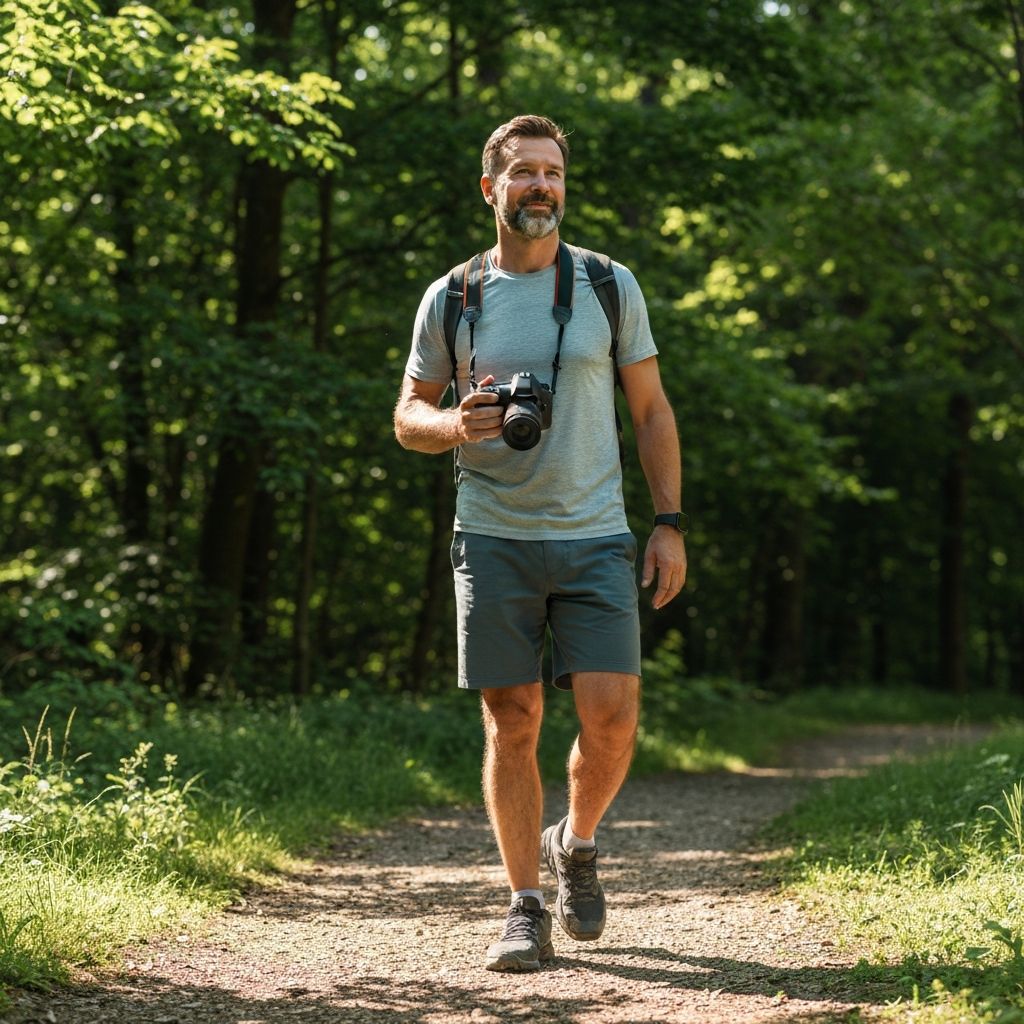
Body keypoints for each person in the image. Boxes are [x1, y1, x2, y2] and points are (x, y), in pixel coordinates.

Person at [393, 114, 687, 972]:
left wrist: (668, 524)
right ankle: (524, 905)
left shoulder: (606, 284)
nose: (541, 188)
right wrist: (454, 424)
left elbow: (653, 411)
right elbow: (407, 417)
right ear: (490, 189)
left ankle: (578, 842)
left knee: (613, 719)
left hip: (597, 533)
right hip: (492, 533)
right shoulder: (452, 297)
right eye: (523, 173)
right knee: (511, 718)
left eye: (553, 174)